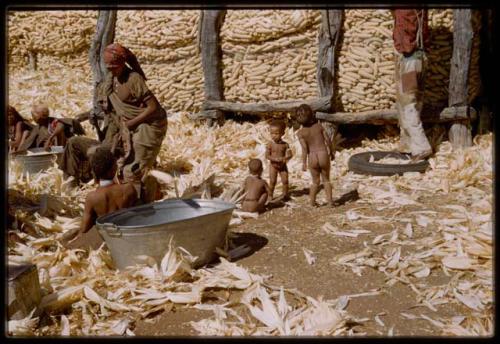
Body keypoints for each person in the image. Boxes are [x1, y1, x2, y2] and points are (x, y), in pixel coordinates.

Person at [102, 43, 168, 198]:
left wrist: (132, 123)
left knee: (133, 169)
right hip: (130, 124)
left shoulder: (133, 79)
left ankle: (143, 200)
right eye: (108, 67)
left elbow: (153, 108)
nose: (111, 70)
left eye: (114, 66)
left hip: (148, 124)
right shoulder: (112, 78)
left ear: (122, 64)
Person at [63, 146, 137, 247]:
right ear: (114, 168)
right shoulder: (129, 189)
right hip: (130, 236)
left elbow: (84, 229)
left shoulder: (92, 198)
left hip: (108, 241)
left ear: (94, 172)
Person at [392, 9, 433, 161]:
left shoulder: (404, 9)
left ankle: (421, 146)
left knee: (408, 104)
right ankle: (407, 145)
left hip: (409, 60)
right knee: (416, 102)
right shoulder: (421, 10)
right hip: (421, 58)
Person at [296, 104, 334, 207]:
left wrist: (304, 163)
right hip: (323, 154)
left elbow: (304, 149)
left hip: (312, 156)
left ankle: (312, 202)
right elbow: (328, 140)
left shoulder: (300, 133)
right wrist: (332, 151)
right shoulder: (319, 126)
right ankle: (330, 202)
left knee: (315, 182)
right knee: (326, 180)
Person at [17, 103, 85, 152]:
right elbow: (29, 140)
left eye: (34, 116)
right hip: (46, 151)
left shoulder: (53, 122)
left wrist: (50, 138)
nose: (33, 118)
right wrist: (20, 151)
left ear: (41, 116)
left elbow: (61, 125)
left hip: (61, 149)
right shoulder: (38, 127)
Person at [265, 119, 293, 200]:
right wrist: (274, 159)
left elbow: (290, 155)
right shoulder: (270, 144)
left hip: (283, 166)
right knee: (272, 181)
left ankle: (285, 195)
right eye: (272, 133)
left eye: (276, 133)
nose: (273, 135)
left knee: (285, 181)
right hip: (273, 166)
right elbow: (267, 155)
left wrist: (285, 158)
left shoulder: (285, 145)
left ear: (282, 133)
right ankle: (270, 196)